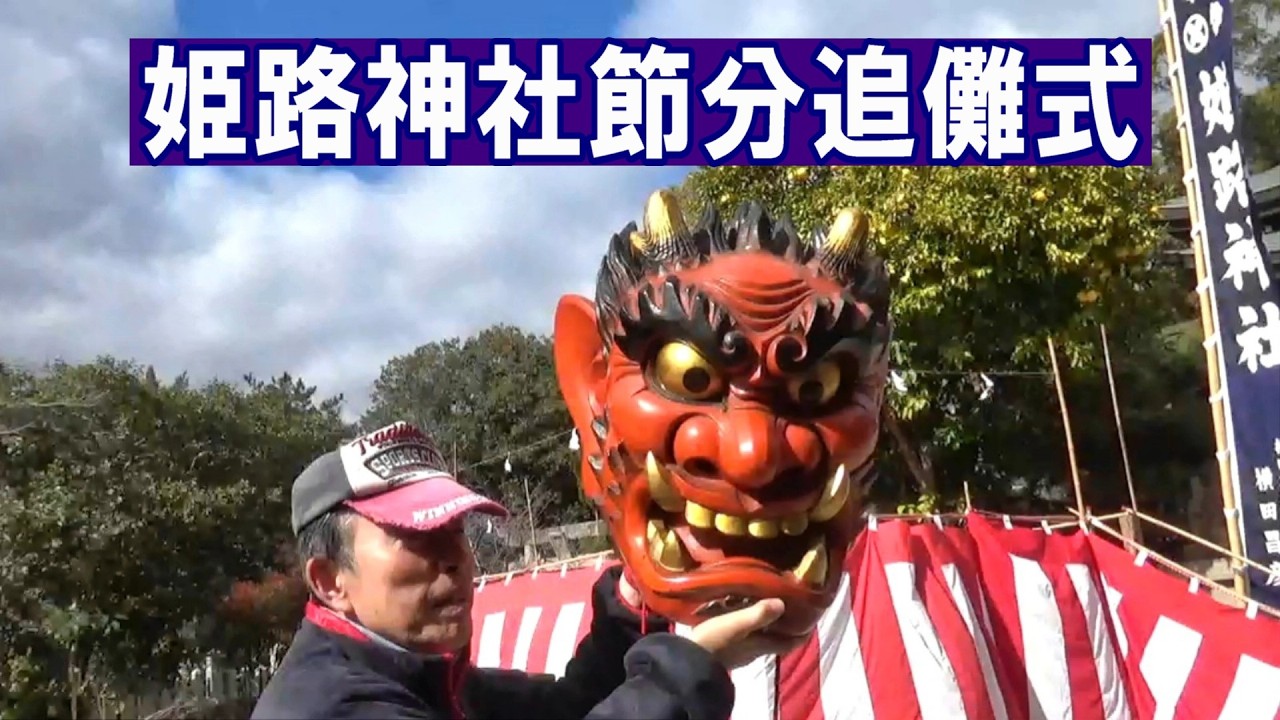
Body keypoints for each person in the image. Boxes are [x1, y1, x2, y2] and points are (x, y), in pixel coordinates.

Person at [251, 421, 804, 720]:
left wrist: (635, 602)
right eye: (416, 535)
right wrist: (689, 669)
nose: (456, 558)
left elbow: (567, 708)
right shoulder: (331, 707)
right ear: (329, 581)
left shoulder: (429, 680)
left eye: (455, 530)